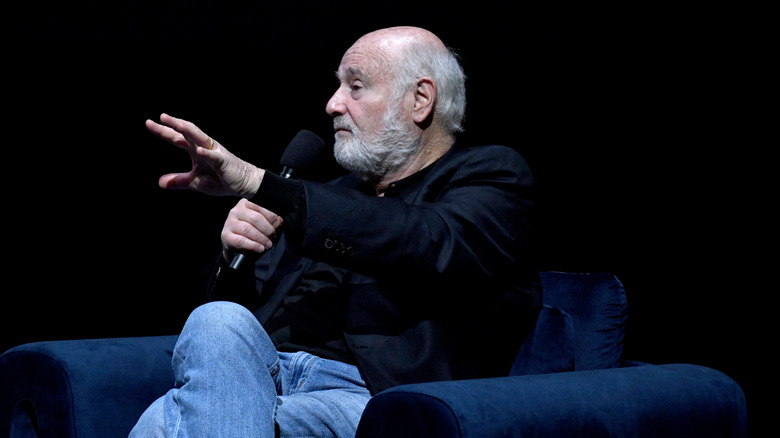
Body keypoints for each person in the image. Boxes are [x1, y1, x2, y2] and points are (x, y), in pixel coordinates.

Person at [130, 26, 542, 437]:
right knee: (218, 321)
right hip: (260, 378)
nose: (332, 105)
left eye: (355, 87)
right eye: (337, 87)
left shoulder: (491, 177)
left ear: (420, 100)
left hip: (366, 397)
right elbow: (235, 315)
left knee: (162, 422)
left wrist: (261, 183)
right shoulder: (326, 197)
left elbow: (425, 238)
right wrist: (235, 254)